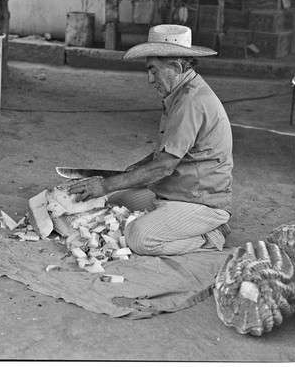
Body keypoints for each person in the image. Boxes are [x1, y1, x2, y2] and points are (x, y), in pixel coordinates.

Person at [68, 24, 233, 256]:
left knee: (138, 238)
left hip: (200, 203)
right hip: (173, 192)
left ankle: (211, 235)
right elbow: (173, 150)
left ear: (175, 67)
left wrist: (105, 184)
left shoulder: (191, 102)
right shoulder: (180, 93)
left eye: (153, 70)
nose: (149, 79)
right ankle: (169, 221)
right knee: (116, 203)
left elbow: (165, 166)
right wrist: (139, 168)